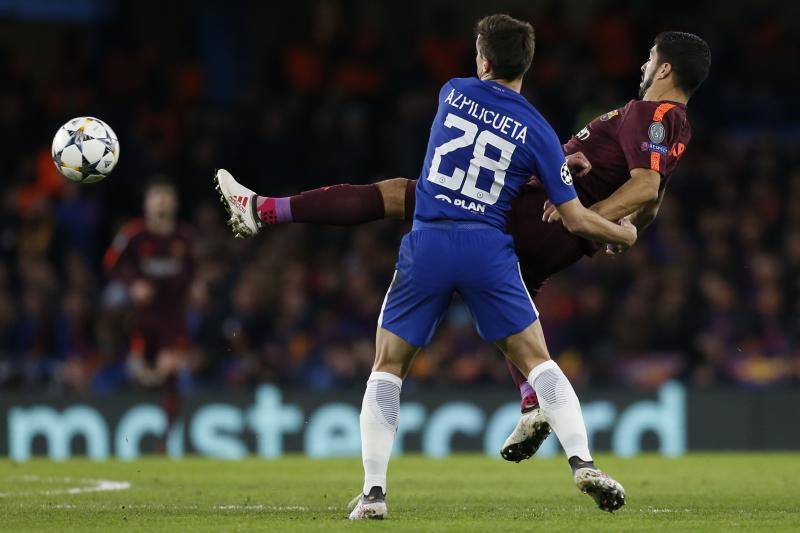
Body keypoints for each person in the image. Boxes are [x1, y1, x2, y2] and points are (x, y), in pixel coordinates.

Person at [217, 30, 711, 464]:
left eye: (650, 57)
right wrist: (611, 216)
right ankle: (533, 400)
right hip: (550, 214)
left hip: (538, 213)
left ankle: (263, 210)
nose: (643, 65)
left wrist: (591, 217)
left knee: (402, 194)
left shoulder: (653, 112)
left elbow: (644, 188)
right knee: (519, 299)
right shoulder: (671, 124)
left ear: (665, 68)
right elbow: (652, 197)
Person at [104, 176, 195, 433]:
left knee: (170, 372)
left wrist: (196, 288)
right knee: (142, 375)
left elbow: (193, 270)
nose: (162, 206)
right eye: (157, 200)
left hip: (173, 317)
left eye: (167, 200)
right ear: (147, 206)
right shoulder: (133, 235)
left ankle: (166, 436)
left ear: (175, 205)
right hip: (140, 317)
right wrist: (132, 284)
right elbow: (111, 264)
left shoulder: (183, 238)